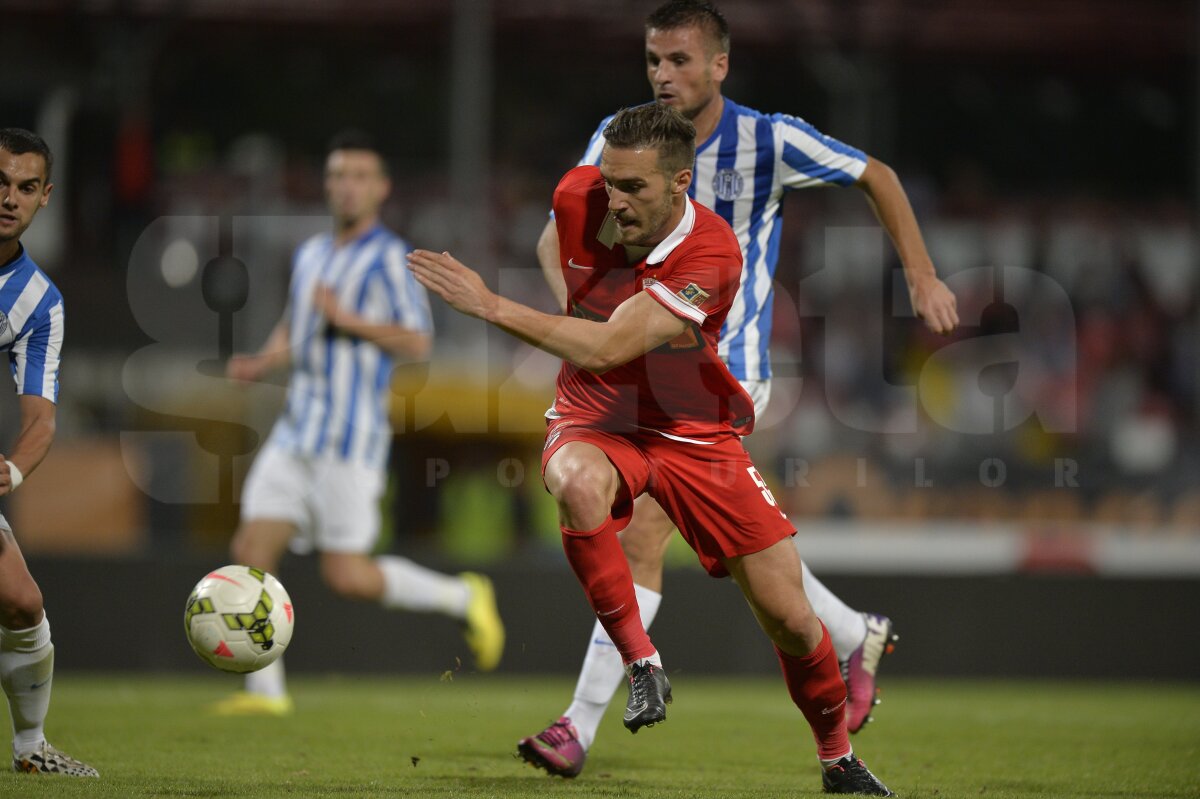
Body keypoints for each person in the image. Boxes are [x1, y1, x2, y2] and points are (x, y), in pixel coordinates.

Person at [517, 0, 959, 778]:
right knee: (749, 565)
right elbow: (560, 235)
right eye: (653, 60)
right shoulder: (623, 139)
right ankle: (854, 632)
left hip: (726, 368)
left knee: (647, 527)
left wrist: (919, 276)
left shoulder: (770, 138)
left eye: (680, 60)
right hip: (637, 367)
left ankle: (577, 725)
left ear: (719, 65)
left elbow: (876, 175)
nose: (662, 75)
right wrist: (584, 323)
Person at [410, 102, 893, 796]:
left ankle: (836, 759)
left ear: (681, 183)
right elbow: (558, 246)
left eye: (634, 187)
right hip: (598, 419)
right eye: (610, 181)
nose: (615, 199)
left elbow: (609, 347)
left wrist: (491, 305)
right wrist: (572, 303)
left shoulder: (714, 251)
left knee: (790, 618)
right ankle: (641, 664)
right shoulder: (581, 196)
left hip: (693, 433)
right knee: (577, 482)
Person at [215, 131, 505, 716]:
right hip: (296, 429)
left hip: (351, 438)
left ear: (380, 188)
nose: (345, 186)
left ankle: (461, 593)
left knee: (347, 576)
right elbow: (296, 326)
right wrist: (265, 360)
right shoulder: (312, 255)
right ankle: (265, 694)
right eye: (337, 176)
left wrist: (348, 320)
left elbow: (418, 340)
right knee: (250, 548)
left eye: (357, 176)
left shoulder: (390, 259)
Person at [0, 128, 98, 777]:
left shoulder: (39, 302)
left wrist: (9, 468)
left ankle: (32, 747)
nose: (9, 197)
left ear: (45, 197)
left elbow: (40, 418)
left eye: (25, 187)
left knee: (22, 601)